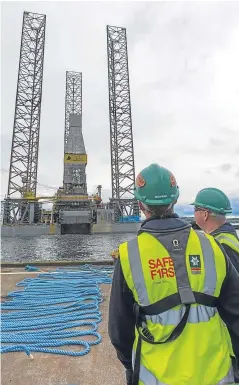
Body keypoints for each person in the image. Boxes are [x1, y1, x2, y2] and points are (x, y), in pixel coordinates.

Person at [108, 163, 239, 385]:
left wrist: (130, 365)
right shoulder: (212, 246)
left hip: (156, 377)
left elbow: (119, 329)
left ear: (140, 204)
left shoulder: (129, 255)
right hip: (215, 374)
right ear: (175, 200)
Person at [191, 187, 239, 272]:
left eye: (195, 209)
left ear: (205, 214)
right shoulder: (226, 237)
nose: (194, 213)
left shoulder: (222, 246)